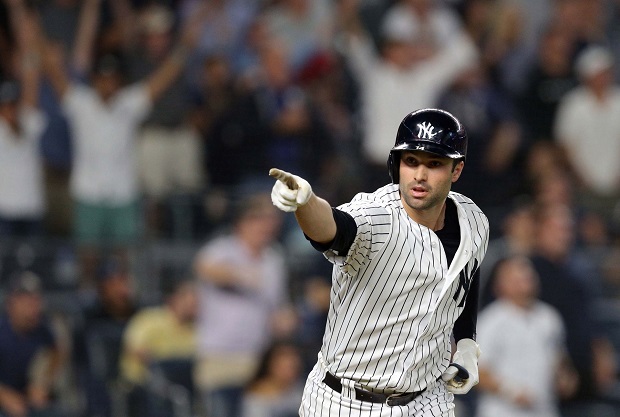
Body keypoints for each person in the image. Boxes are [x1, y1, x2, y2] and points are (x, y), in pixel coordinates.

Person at [270, 108, 490, 416]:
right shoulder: (376, 217)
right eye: (411, 161)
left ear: (456, 170)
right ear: (397, 164)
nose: (420, 175)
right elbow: (332, 228)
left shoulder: (473, 220)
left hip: (426, 400)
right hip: (344, 401)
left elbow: (464, 274)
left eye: (435, 163)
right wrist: (306, 203)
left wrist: (466, 342)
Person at [193, 192, 294, 417]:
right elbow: (204, 268)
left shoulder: (273, 258)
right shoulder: (222, 249)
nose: (268, 225)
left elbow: (279, 306)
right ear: (243, 221)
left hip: (258, 358)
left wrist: (286, 319)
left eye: (271, 219)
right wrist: (242, 275)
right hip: (220, 357)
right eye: (261, 218)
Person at [475, 255, 577, 417]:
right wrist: (511, 391)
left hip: (545, 410)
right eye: (517, 278)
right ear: (500, 284)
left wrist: (565, 378)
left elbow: (559, 360)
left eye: (528, 276)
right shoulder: (490, 321)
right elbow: (476, 371)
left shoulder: (549, 317)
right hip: (503, 411)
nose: (524, 281)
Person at [0, 272, 65, 417]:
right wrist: (4, 397)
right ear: (11, 303)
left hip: (29, 403)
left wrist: (43, 383)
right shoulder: (2, 330)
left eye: (36, 299)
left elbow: (58, 352)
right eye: (26, 300)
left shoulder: (43, 330)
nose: (33, 305)